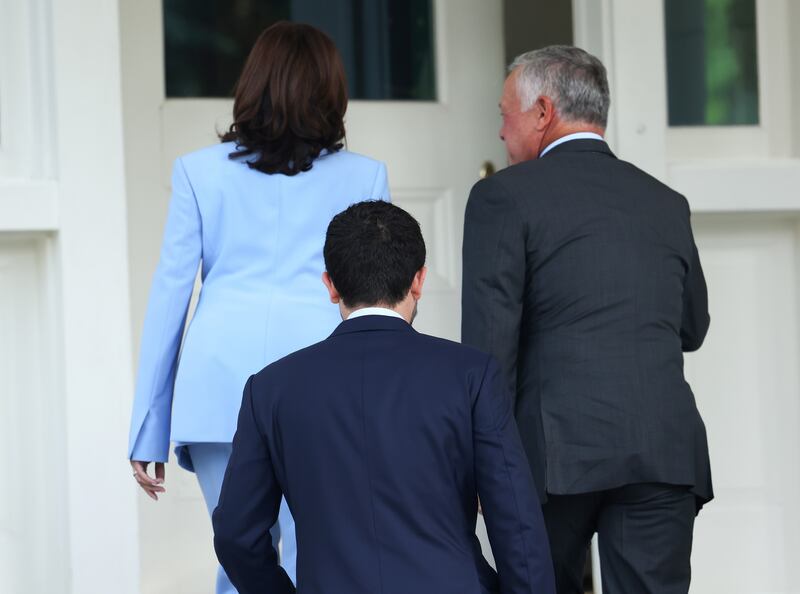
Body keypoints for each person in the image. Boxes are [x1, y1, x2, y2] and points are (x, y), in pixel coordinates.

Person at [127, 22, 390, 593]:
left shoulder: (197, 171)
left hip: (219, 385)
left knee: (240, 558)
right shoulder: (365, 175)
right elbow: (376, 299)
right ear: (330, 90)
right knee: (316, 555)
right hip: (325, 384)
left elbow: (171, 295)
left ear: (253, 85)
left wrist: (148, 428)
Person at [461, 46, 712, 594]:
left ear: (543, 112)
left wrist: (481, 463)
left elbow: (489, 352)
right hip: (661, 448)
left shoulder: (502, 198)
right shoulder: (666, 202)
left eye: (505, 115)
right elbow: (693, 327)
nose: (501, 133)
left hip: (550, 456)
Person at [211, 201, 555, 594]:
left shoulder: (270, 389)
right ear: (419, 280)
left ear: (330, 286)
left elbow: (236, 536)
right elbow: (517, 526)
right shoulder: (470, 374)